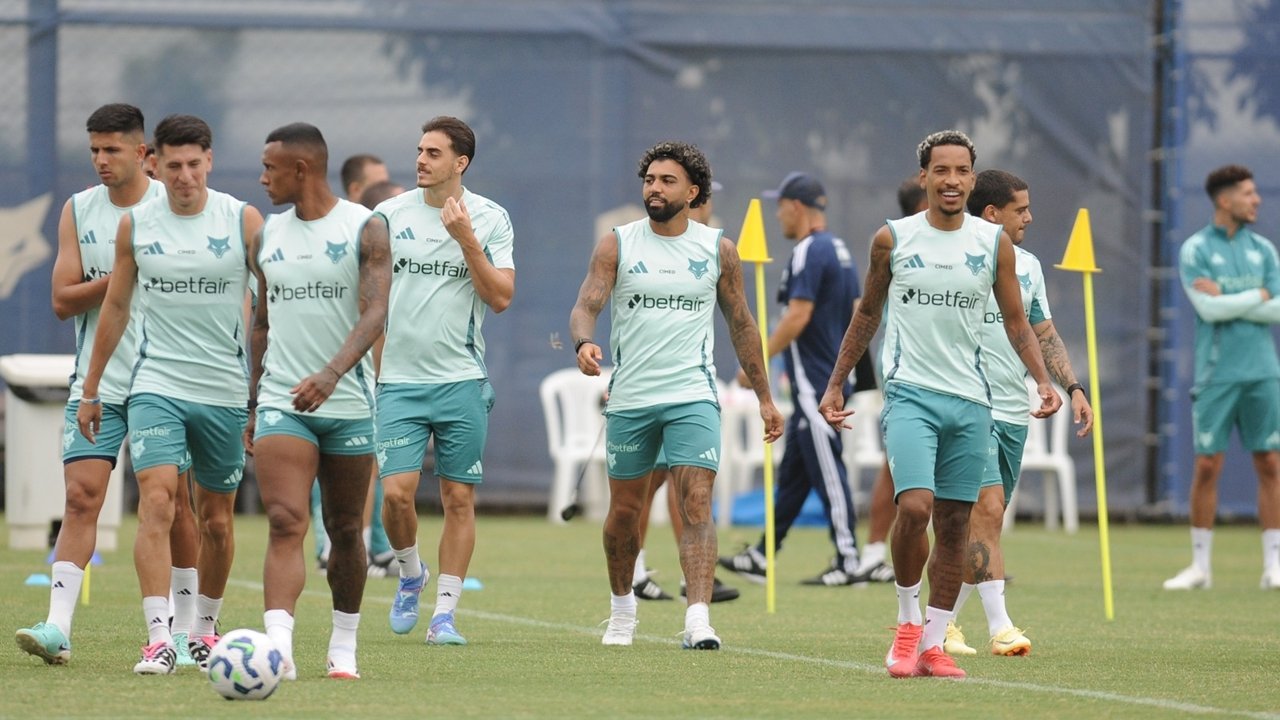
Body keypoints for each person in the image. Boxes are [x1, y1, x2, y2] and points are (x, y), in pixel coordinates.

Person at [818, 130, 1060, 679]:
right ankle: (907, 624)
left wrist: (1043, 381)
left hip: (973, 401)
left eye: (961, 171)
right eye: (940, 170)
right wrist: (837, 383)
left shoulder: (992, 242)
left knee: (955, 525)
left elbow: (1019, 322)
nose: (951, 181)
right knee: (916, 508)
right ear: (923, 177)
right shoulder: (892, 239)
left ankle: (932, 645)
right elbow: (867, 315)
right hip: (910, 394)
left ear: (972, 179)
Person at [570, 141, 784, 649]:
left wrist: (765, 398)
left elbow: (743, 325)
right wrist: (583, 341)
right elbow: (586, 304)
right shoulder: (617, 243)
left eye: (667, 181)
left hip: (693, 396)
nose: (655, 188)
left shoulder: (717, 249)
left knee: (697, 502)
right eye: (650, 180)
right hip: (631, 400)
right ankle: (623, 612)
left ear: (693, 192)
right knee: (625, 512)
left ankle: (698, 620)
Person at [15, 104, 201, 669]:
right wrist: (120, 276)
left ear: (143, 153)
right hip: (96, 384)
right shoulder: (78, 210)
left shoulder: (172, 209)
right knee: (80, 497)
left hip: (167, 382)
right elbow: (60, 299)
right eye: (94, 149)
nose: (100, 159)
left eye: (112, 149)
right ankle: (57, 628)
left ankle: (190, 630)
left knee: (172, 508)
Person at [76, 113, 263, 675]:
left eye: (194, 164)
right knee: (157, 501)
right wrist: (91, 388)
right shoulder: (136, 224)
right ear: (155, 162)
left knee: (218, 522)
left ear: (210, 160)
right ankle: (158, 637)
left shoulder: (243, 220)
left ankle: (204, 627)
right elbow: (114, 307)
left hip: (224, 391)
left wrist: (262, 391)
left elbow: (268, 311)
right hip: (155, 385)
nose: (184, 176)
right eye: (173, 165)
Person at [246, 122, 391, 680]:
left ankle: (343, 646)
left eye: (270, 168)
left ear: (301, 169)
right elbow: (261, 323)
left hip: (349, 402)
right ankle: (278, 649)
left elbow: (376, 310)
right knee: (286, 520)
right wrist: (257, 401)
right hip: (285, 403)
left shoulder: (366, 227)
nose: (262, 178)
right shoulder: (267, 236)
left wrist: (331, 374)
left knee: (347, 528)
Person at [942, 170, 1094, 657]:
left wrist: (1071, 386)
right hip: (966, 404)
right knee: (984, 511)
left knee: (986, 523)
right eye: (1021, 209)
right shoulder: (950, 259)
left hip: (1013, 410)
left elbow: (1042, 332)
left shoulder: (1027, 265)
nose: (1030, 217)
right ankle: (1001, 628)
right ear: (991, 214)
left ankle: (940, 624)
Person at [377, 116, 514, 646]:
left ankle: (444, 617)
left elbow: (500, 297)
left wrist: (466, 240)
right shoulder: (388, 215)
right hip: (398, 383)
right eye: (419, 150)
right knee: (396, 495)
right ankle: (411, 573)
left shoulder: (490, 218)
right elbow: (368, 299)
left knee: (459, 498)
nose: (420, 160)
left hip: (461, 381)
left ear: (460, 164)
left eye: (433, 153)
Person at [718, 172, 874, 586]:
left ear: (796, 207)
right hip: (833, 377)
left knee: (826, 467)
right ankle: (764, 553)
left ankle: (849, 559)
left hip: (815, 385)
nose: (778, 216)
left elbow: (798, 316)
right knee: (796, 472)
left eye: (780, 206)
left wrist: (756, 364)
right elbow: (858, 310)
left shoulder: (808, 251)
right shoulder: (839, 248)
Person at [1166, 164, 1280, 591]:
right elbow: (1208, 310)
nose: (1257, 200)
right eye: (1249, 194)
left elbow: (1278, 309)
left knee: (1270, 462)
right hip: (1216, 375)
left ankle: (1274, 566)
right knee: (1207, 466)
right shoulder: (1195, 249)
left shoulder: (1265, 251)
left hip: (1263, 372)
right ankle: (1200, 568)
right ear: (1224, 200)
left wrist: (1231, 298)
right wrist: (1258, 297)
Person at [630, 181, 739, 604]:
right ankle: (636, 570)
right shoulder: (642, 242)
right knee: (644, 489)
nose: (705, 210)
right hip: (645, 393)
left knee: (690, 488)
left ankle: (687, 583)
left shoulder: (711, 248)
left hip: (688, 392)